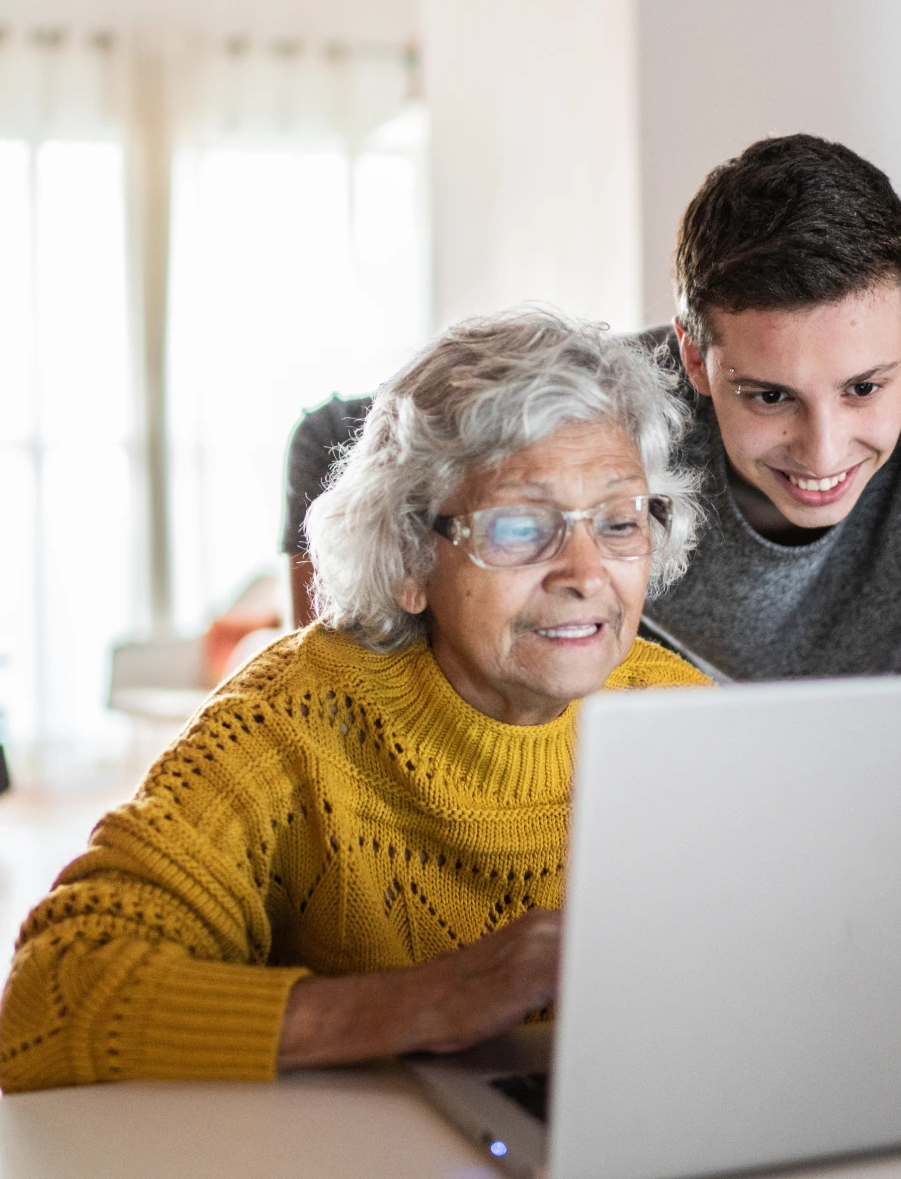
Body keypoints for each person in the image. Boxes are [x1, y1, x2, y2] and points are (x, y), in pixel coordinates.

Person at [0, 310, 711, 1093]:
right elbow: (50, 999)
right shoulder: (290, 718)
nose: (584, 569)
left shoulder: (689, 720)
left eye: (618, 521)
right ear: (409, 558)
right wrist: (424, 1003)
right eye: (518, 525)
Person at [283, 134, 901, 676]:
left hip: (875, 743)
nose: (823, 450)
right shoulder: (616, 406)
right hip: (656, 751)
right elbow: (333, 434)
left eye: (865, 387)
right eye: (769, 395)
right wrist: (335, 673)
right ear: (694, 356)